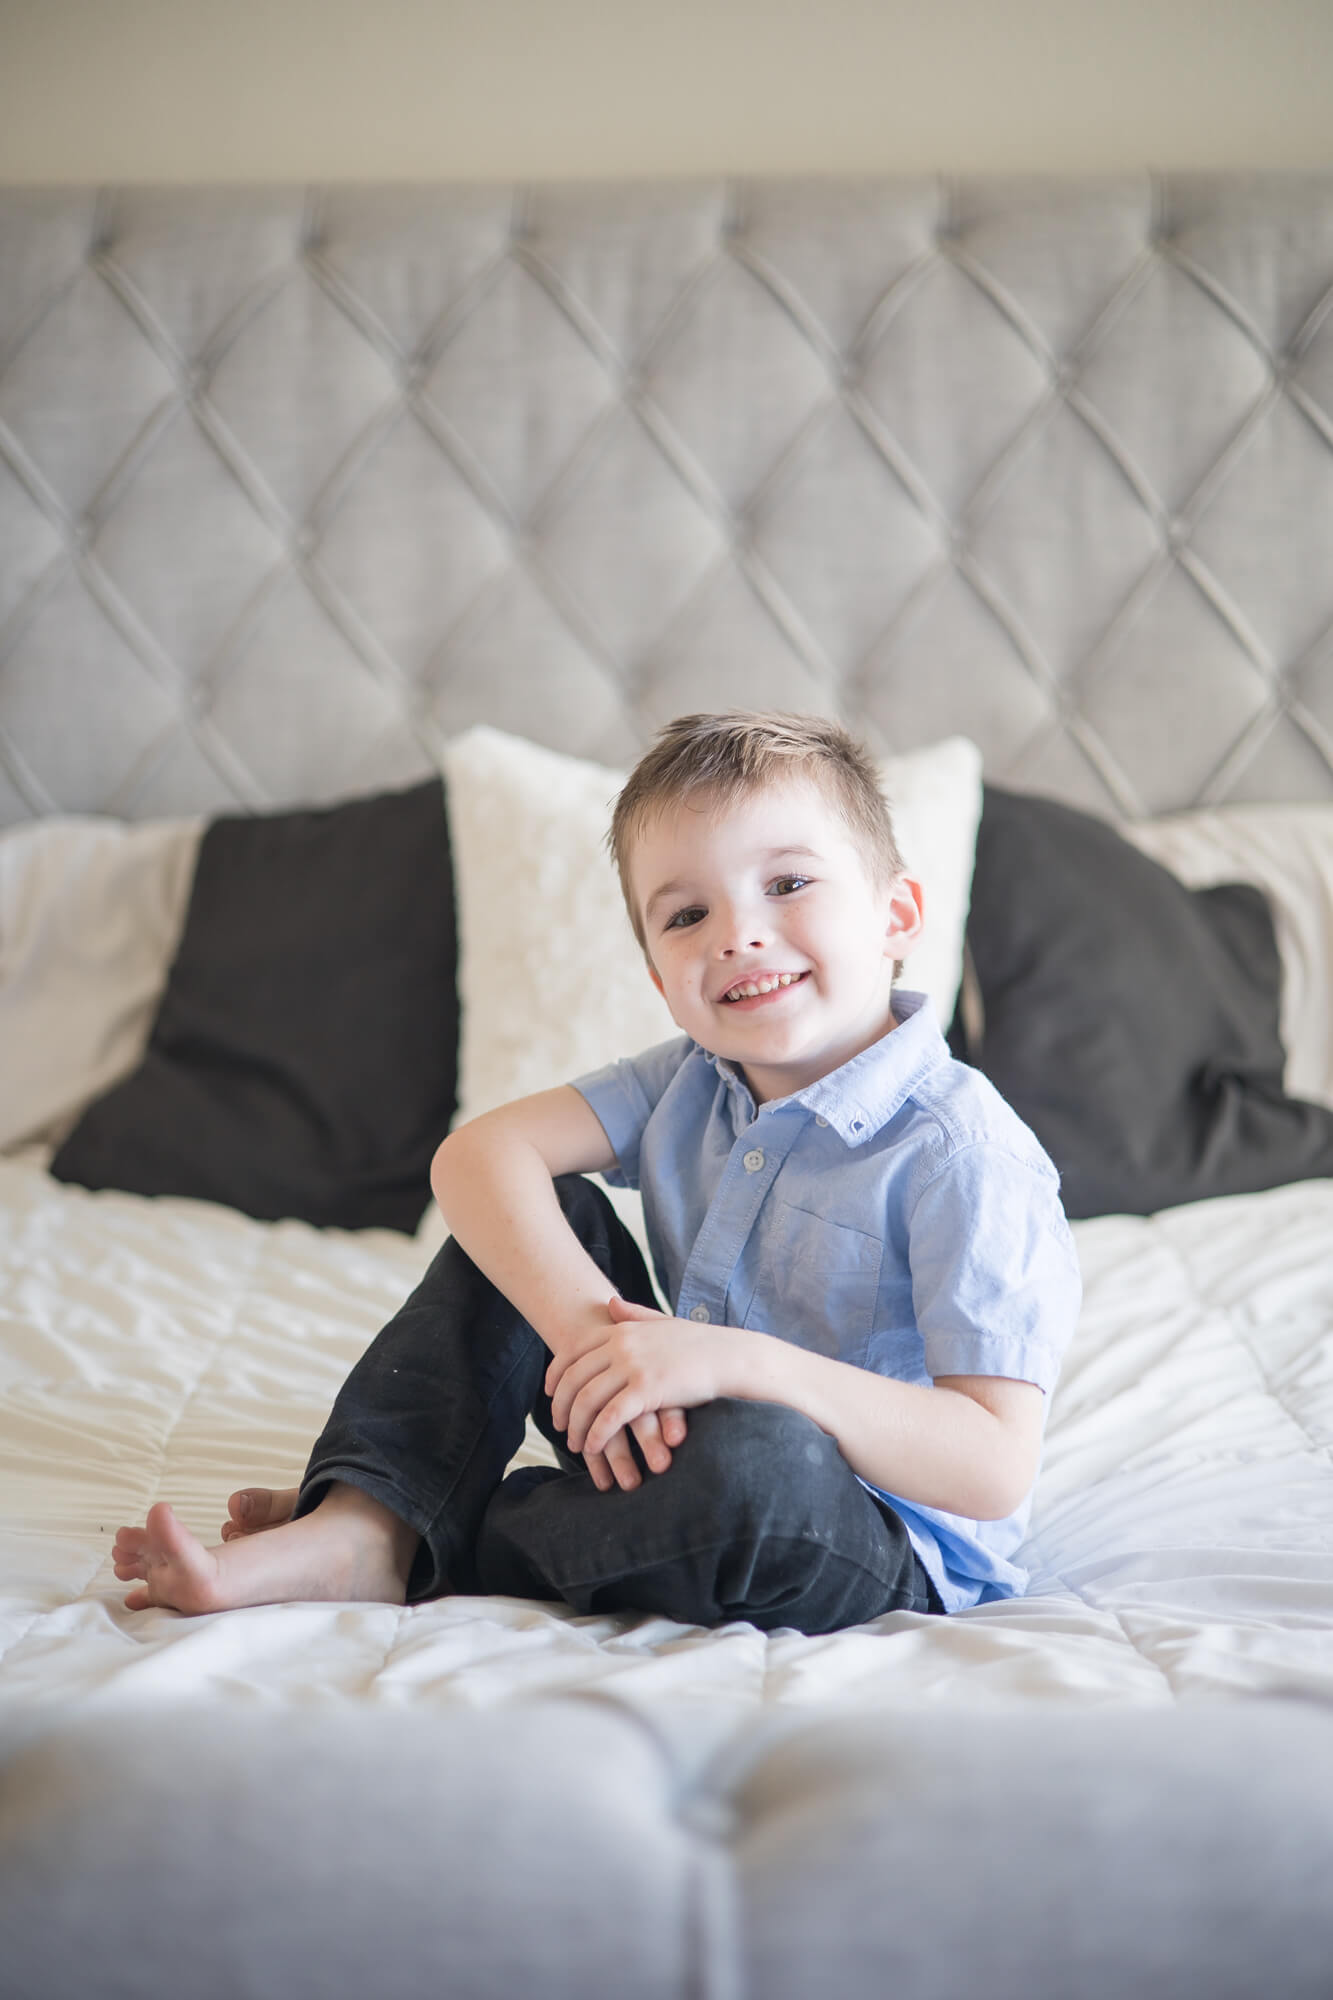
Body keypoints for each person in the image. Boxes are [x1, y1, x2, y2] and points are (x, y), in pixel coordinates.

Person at [114, 711, 1081, 1632]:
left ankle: (428, 1531)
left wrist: (737, 1364)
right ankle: (367, 1520)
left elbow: (990, 1462)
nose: (736, 933)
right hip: (669, 1421)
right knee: (543, 1217)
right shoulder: (689, 1082)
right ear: (662, 985)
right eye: (687, 913)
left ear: (896, 915)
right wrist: (589, 1334)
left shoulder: (963, 1153)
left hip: (868, 1527)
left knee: (756, 1467)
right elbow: (478, 1158)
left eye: (787, 884)